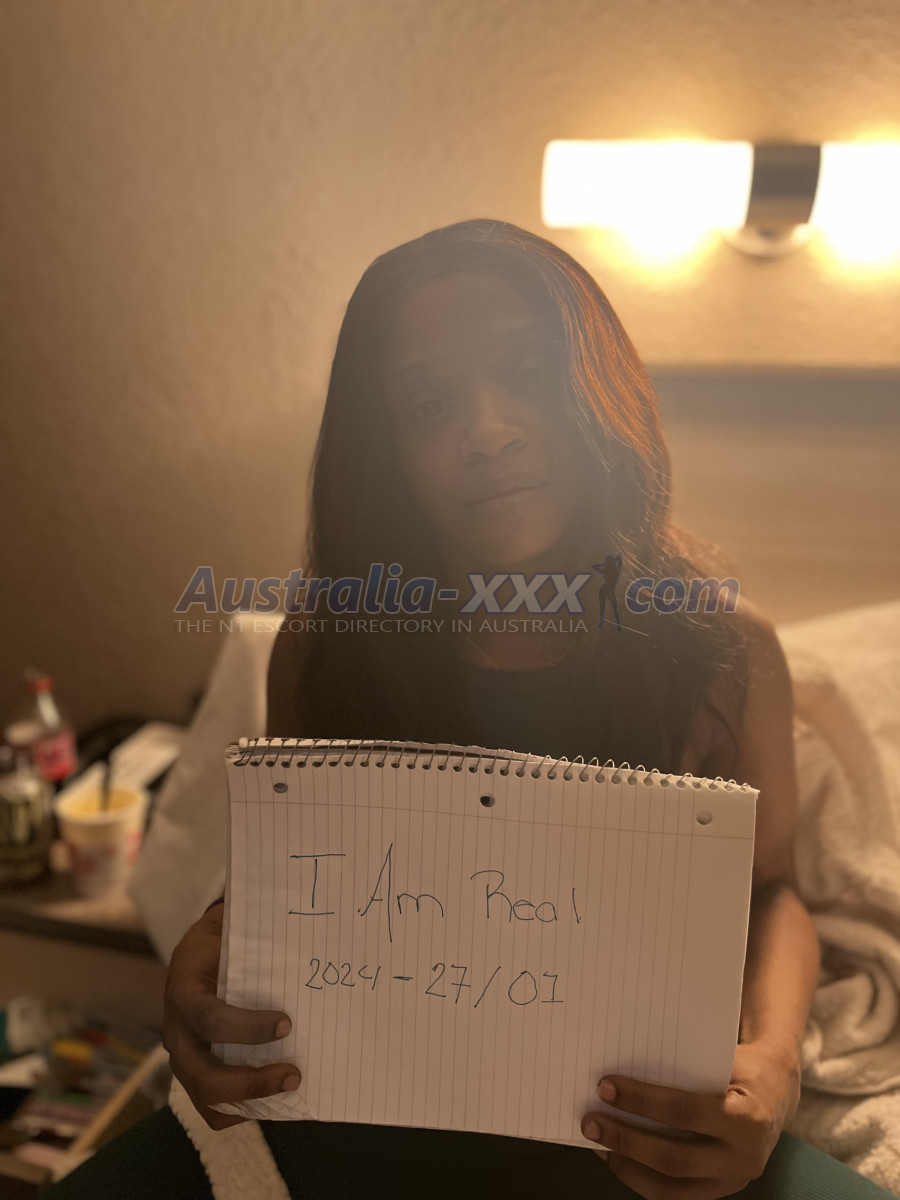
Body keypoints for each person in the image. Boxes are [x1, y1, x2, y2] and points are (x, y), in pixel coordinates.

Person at [47, 220, 895, 1199]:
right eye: (428, 404)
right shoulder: (325, 646)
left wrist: (774, 1065)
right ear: (386, 449)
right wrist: (209, 955)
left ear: (599, 391)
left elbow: (772, 890)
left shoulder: (723, 650)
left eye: (528, 374)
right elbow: (296, 882)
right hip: (361, 1103)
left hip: (630, 1126)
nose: (487, 430)